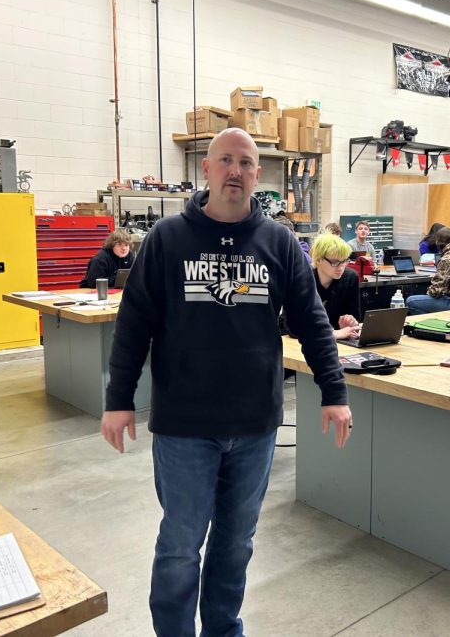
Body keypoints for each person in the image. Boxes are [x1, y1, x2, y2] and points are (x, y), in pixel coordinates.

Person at [100, 128, 352, 636]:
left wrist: (334, 390)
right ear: (208, 169)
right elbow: (134, 324)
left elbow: (311, 321)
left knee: (235, 543)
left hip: (255, 426)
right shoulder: (167, 239)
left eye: (246, 162)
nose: (235, 170)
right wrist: (118, 399)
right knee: (180, 545)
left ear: (257, 175)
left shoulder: (279, 242)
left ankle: (222, 629)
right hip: (184, 427)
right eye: (225, 160)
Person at [310, 234, 361, 340]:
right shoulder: (304, 280)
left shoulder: (350, 278)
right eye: (335, 262)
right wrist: (332, 333)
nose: (341, 267)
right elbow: (292, 326)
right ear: (318, 260)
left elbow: (355, 316)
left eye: (344, 261)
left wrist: (351, 323)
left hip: (341, 341)